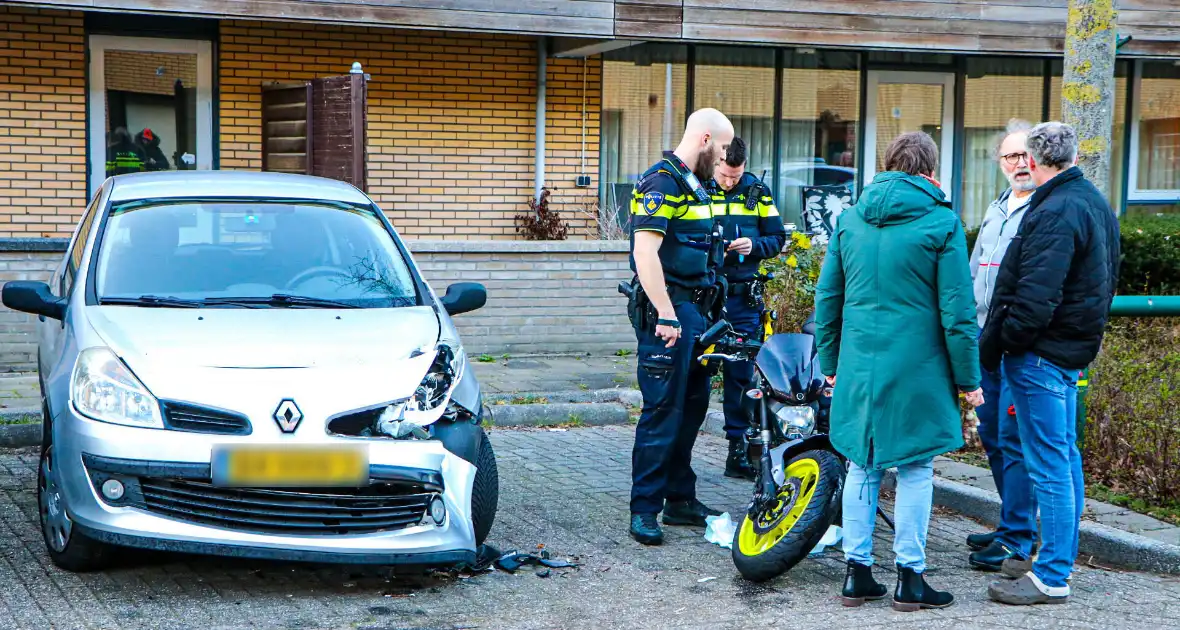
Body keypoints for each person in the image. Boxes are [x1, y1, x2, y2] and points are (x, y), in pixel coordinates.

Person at [815, 132, 984, 612]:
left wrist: (830, 365)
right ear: (931, 169)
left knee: (861, 463)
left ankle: (857, 573)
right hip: (919, 367)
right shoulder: (942, 222)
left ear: (888, 165)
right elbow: (957, 312)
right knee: (915, 468)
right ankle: (910, 578)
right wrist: (969, 380)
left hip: (859, 365)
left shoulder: (850, 220)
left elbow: (828, 299)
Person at [981, 121, 1120, 606]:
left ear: (1036, 161)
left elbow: (1035, 296)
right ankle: (1057, 560)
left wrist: (1005, 344)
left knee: (1049, 464)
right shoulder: (1093, 203)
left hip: (1039, 355)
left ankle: (1053, 573)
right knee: (1063, 456)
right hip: (1068, 350)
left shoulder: (1054, 210)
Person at [625, 107, 734, 546]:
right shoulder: (662, 182)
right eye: (724, 147)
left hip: (698, 312)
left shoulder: (697, 185)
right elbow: (645, 254)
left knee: (691, 409)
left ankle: (679, 500)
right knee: (662, 412)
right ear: (705, 139)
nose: (726, 157)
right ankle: (645, 510)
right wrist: (667, 314)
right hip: (670, 313)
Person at [966, 119, 1039, 573]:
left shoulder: (1043, 209)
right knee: (992, 434)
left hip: (1017, 344)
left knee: (1014, 440)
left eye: (1024, 154)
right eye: (1009, 156)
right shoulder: (997, 208)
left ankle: (1018, 537)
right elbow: (974, 271)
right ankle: (1011, 523)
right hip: (982, 340)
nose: (1018, 163)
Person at [708, 137, 786, 480]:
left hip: (742, 299)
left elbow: (777, 238)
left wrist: (754, 245)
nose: (729, 182)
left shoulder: (757, 192)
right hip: (705, 296)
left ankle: (736, 450)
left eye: (735, 177)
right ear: (714, 164)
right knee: (696, 373)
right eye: (724, 175)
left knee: (741, 377)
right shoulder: (698, 188)